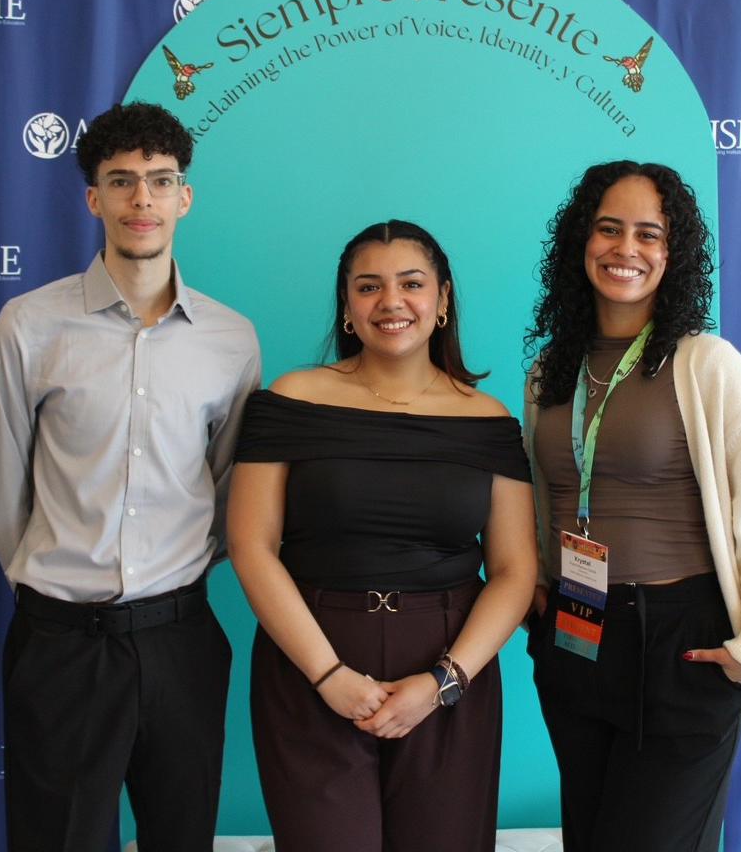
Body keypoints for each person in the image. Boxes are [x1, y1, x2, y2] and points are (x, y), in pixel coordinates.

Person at [0, 101, 260, 852]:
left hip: (181, 638)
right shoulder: (29, 325)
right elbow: (2, 488)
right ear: (93, 197)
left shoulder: (231, 339)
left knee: (181, 835)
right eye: (122, 181)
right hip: (61, 642)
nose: (143, 200)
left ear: (184, 197)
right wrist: (55, 594)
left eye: (161, 182)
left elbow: (229, 483)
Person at [227, 220, 536, 852]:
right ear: (347, 305)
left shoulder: (490, 421)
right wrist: (328, 676)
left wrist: (444, 681)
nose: (391, 302)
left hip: (449, 668)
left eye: (411, 284)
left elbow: (514, 571)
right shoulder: (292, 399)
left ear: (443, 299)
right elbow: (251, 546)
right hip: (311, 662)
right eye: (368, 287)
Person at [523, 161, 741, 852]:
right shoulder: (551, 372)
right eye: (609, 229)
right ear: (579, 242)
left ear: (671, 256)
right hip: (576, 632)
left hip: (682, 640)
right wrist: (536, 588)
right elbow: (545, 494)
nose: (626, 249)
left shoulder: (708, 364)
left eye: (649, 235)